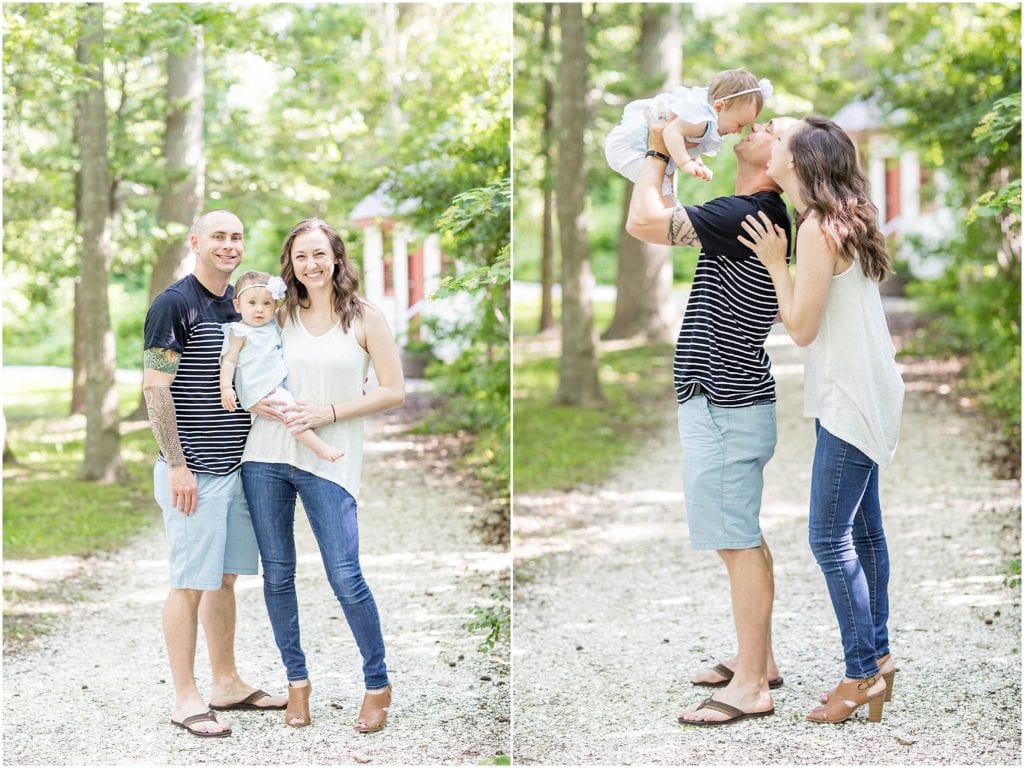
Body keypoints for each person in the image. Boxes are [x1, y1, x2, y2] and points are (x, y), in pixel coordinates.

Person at [626, 112, 798, 726]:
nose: (755, 125)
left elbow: (641, 220)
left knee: (735, 539)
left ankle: (751, 685)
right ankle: (762, 659)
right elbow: (664, 212)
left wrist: (656, 148)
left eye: (771, 128)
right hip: (726, 398)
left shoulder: (750, 211)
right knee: (742, 533)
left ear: (782, 160)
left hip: (723, 402)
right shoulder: (744, 213)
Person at [737, 115, 904, 724]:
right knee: (864, 534)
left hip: (851, 398)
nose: (768, 142)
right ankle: (878, 658)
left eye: (778, 139)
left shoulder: (813, 231)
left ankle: (861, 673)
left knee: (827, 538)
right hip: (870, 389)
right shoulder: (845, 219)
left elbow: (802, 330)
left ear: (801, 164)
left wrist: (774, 261)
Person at [239, 218, 405, 732]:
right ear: (289, 265)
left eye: (319, 254)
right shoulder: (275, 314)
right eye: (300, 256)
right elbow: (242, 362)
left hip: (329, 460)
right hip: (264, 458)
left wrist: (327, 413)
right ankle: (297, 684)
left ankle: (377, 685)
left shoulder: (365, 317)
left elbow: (392, 390)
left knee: (345, 576)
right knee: (278, 575)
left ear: (336, 257)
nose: (310, 264)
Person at [143, 209, 287, 739]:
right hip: (193, 473)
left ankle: (225, 682)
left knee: (225, 579)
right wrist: (176, 465)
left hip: (238, 466)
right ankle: (185, 698)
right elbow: (156, 389)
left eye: (237, 236)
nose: (229, 244)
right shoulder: (173, 304)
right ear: (196, 242)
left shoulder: (242, 303)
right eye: (219, 236)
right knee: (189, 582)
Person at [220, 269, 344, 462]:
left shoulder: (273, 325)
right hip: (261, 388)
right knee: (289, 411)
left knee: (295, 404)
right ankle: (318, 447)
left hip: (277, 381)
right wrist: (226, 388)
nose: (259, 309)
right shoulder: (239, 332)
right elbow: (228, 361)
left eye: (266, 303)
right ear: (237, 305)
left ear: (274, 305)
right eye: (252, 303)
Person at [606, 68, 772, 192]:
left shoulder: (703, 120)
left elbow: (690, 140)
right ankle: (666, 217)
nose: (739, 131)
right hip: (629, 147)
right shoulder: (701, 119)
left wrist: (696, 162)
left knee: (665, 188)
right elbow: (672, 132)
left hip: (635, 149)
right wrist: (685, 162)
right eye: (739, 124)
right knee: (661, 189)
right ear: (719, 107)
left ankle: (667, 215)